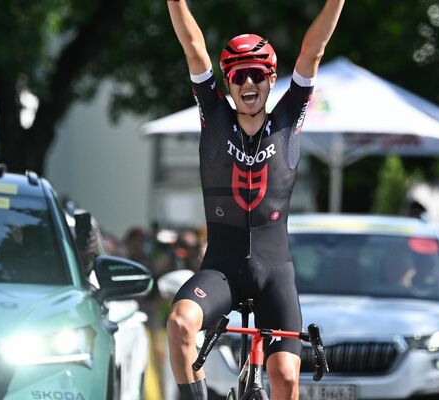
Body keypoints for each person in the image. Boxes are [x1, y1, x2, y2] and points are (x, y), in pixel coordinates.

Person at [164, 1, 345, 399]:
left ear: (271, 79)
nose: (248, 83)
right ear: (227, 84)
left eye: (258, 75)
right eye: (238, 76)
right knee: (179, 324)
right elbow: (194, 48)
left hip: (274, 274)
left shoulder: (288, 118)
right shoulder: (214, 117)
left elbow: (312, 52)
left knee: (286, 378)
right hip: (221, 270)